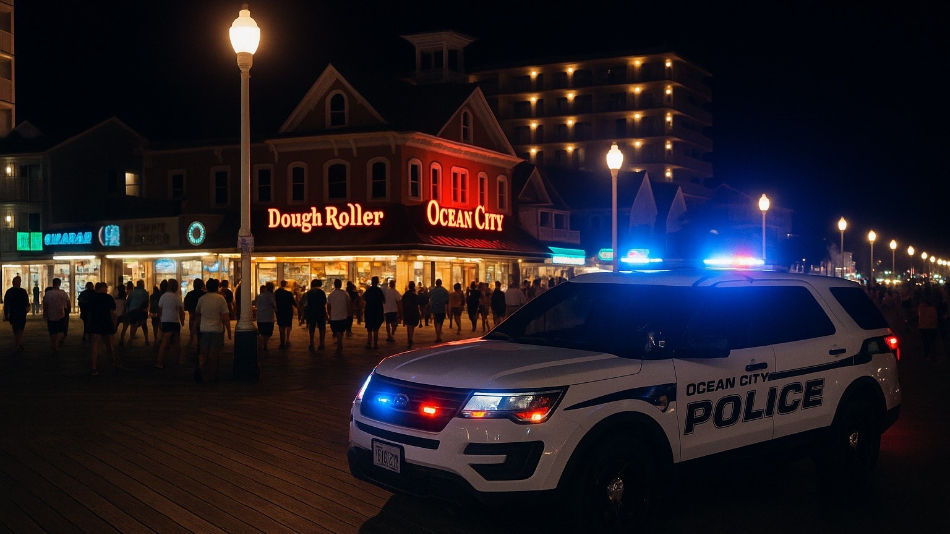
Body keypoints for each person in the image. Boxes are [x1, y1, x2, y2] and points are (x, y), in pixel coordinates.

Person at [194, 278, 232, 383]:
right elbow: (225, 316)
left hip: (204, 328)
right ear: (217, 287)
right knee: (214, 354)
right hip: (217, 329)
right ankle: (212, 376)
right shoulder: (221, 299)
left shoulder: (202, 299)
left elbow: (197, 314)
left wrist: (195, 327)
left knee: (203, 352)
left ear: (206, 287)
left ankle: (202, 371)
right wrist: (229, 330)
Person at [88, 282, 119, 376]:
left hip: (95, 324)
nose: (106, 290)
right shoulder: (109, 298)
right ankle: (112, 362)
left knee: (95, 346)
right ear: (103, 288)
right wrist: (114, 324)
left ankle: (94, 367)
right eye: (106, 288)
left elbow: (88, 313)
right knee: (109, 344)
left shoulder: (92, 298)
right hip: (107, 323)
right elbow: (113, 313)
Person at [155, 279, 185, 369]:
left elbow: (159, 310)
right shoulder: (177, 297)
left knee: (164, 342)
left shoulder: (163, 296)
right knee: (177, 342)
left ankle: (159, 361)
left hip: (165, 321)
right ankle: (179, 361)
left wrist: (160, 320)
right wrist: (182, 320)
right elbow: (181, 311)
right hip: (174, 322)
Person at [42, 278, 71, 354]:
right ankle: (56, 344)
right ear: (59, 284)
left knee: (52, 330)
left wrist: (45, 313)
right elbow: (68, 303)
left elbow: (45, 304)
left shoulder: (48, 293)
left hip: (51, 314)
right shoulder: (63, 293)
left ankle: (53, 343)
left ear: (53, 283)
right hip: (61, 314)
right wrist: (68, 311)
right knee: (60, 330)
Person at [3, 275, 29, 352]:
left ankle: (18, 343)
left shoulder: (9, 292)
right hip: (21, 313)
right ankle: (18, 343)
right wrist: (27, 309)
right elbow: (26, 303)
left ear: (12, 283)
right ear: (19, 283)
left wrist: (6, 314)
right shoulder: (23, 291)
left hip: (13, 313)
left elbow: (6, 304)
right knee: (20, 329)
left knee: (15, 328)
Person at [122, 280, 151, 346]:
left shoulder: (132, 293)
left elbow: (128, 302)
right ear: (142, 285)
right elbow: (147, 302)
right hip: (142, 311)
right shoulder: (145, 293)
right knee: (144, 325)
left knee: (133, 325)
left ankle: (130, 340)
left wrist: (127, 310)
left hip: (133, 311)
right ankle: (146, 340)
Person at [302, 279, 327, 351]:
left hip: (311, 312)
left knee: (311, 327)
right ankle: (322, 343)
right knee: (322, 328)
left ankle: (311, 343)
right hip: (320, 312)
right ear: (320, 285)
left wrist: (303, 316)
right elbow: (324, 303)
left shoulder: (308, 293)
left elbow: (305, 304)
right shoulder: (322, 293)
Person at [327, 278, 350, 355]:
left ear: (334, 285)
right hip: (343, 316)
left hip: (334, 316)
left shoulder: (331, 295)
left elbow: (328, 306)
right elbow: (348, 304)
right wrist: (349, 313)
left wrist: (329, 315)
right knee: (341, 331)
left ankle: (339, 344)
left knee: (337, 331)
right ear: (340, 285)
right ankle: (340, 343)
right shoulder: (345, 294)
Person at [183, 278, 205, 353]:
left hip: (192, 316)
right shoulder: (204, 294)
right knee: (201, 334)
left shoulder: (189, 294)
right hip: (202, 317)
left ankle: (193, 346)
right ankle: (199, 347)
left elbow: (185, 305)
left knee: (193, 332)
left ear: (193, 285)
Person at [363, 276, 385, 349]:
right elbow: (384, 300)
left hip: (369, 311)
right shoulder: (379, 291)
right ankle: (375, 344)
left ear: (372, 282)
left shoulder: (368, 290)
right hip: (377, 311)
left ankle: (369, 343)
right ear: (377, 282)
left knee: (369, 329)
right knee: (376, 329)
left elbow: (363, 298)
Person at [274, 280, 297, 348]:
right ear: (286, 284)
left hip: (280, 311)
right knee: (288, 325)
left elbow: (274, 302)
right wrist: (298, 307)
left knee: (281, 326)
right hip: (288, 311)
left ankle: (282, 342)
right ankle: (287, 339)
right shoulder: (289, 293)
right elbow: (293, 303)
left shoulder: (276, 293)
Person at [256, 282, 276, 353]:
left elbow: (256, 304)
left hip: (260, 317)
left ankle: (261, 344)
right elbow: (274, 305)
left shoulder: (259, 296)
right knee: (268, 332)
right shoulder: (271, 296)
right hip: (268, 317)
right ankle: (265, 344)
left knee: (261, 331)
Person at [429, 279, 450, 343]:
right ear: (441, 283)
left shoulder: (432, 291)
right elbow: (447, 301)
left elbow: (429, 298)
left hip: (435, 309)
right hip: (442, 309)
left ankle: (437, 335)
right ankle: (439, 336)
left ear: (436, 283)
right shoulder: (444, 291)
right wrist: (448, 311)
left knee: (436, 322)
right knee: (440, 323)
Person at [402, 281, 420, 348]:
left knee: (409, 326)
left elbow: (403, 303)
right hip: (414, 312)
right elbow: (417, 303)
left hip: (407, 312)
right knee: (411, 326)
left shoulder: (405, 294)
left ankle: (409, 339)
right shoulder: (415, 295)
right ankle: (410, 339)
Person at [149, 282, 165, 350]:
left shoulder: (151, 296)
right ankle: (160, 339)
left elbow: (151, 304)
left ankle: (156, 338)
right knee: (160, 325)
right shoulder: (161, 295)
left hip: (154, 312)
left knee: (154, 325)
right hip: (160, 313)